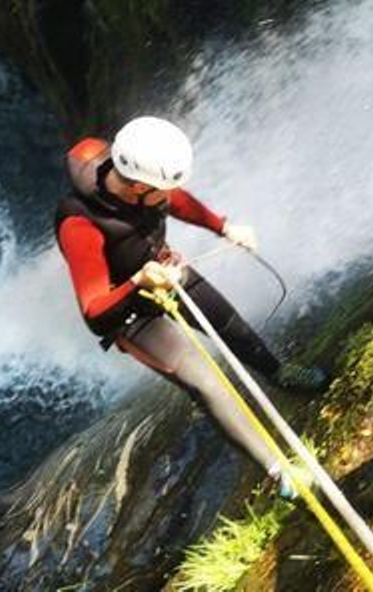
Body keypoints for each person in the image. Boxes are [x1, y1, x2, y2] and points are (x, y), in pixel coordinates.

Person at [54, 116, 326, 499]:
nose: (169, 196)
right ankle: (280, 472)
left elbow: (176, 200)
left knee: (230, 325)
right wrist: (139, 282)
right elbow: (95, 313)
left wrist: (223, 227)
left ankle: (279, 374)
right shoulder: (80, 226)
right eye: (161, 191)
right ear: (138, 187)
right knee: (206, 380)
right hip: (128, 312)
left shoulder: (142, 181)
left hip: (162, 269)